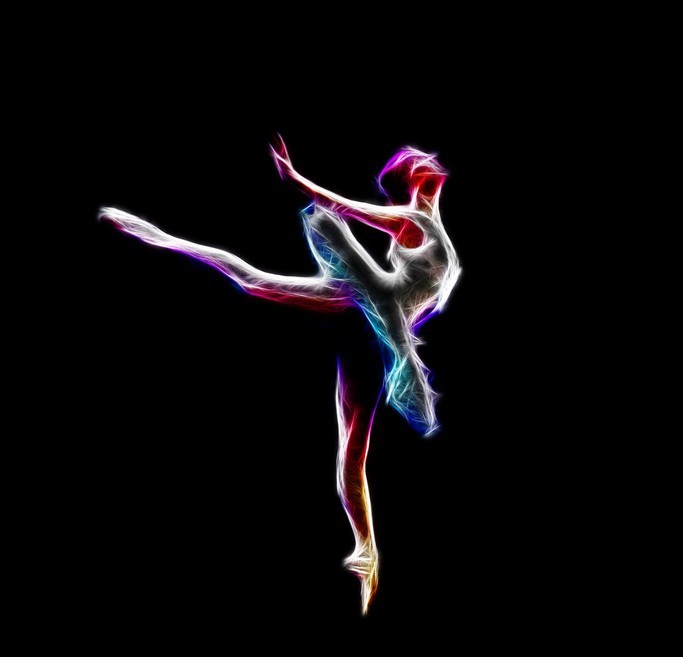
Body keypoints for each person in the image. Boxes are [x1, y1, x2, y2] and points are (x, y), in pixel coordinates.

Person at [99, 136, 461, 613]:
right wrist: (294, 178)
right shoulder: (414, 222)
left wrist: (395, 337)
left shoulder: (427, 230)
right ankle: (149, 232)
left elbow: (414, 305)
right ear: (414, 177)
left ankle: (367, 550)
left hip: (371, 329)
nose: (427, 157)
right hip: (367, 310)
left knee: (352, 448)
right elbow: (346, 208)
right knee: (252, 281)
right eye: (416, 159)